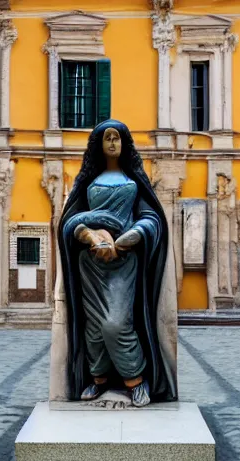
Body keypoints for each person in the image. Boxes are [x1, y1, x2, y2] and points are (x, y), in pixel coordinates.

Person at [58, 119, 177, 407]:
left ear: (125, 144)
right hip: (90, 262)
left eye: (117, 138)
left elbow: (151, 218)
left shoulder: (134, 182)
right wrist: (87, 234)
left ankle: (136, 379)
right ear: (98, 144)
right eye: (107, 138)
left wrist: (130, 237)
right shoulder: (87, 182)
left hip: (124, 261)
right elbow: (71, 219)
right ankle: (98, 379)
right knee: (94, 326)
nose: (112, 143)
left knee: (116, 323)